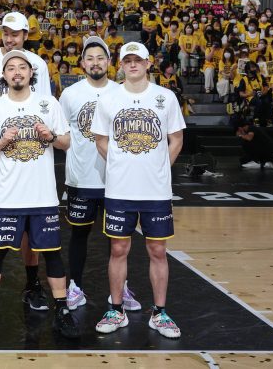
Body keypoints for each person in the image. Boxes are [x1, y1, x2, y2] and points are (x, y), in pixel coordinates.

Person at [0, 49, 79, 339]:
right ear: (4, 75)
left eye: (22, 67)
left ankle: (62, 311)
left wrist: (52, 137)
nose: (17, 72)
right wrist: (1, 142)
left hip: (43, 197)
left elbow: (67, 143)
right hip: (7, 197)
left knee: (52, 254)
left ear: (32, 73)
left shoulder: (49, 103)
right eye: (11, 68)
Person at [91, 41, 185, 339]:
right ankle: (116, 309)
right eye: (127, 60)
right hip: (120, 189)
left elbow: (177, 138)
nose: (132, 64)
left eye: (138, 60)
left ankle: (159, 313)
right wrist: (119, 162)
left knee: (158, 250)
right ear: (121, 65)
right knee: (119, 249)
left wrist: (161, 167)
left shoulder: (165, 97)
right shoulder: (108, 99)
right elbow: (100, 138)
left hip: (155, 191)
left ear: (148, 64)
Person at [0, 12, 50, 311]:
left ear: (27, 35)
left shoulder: (38, 65)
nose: (11, 37)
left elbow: (45, 111)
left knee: (29, 225)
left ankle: (32, 284)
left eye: (17, 33)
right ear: (0, 33)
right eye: (6, 32)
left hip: (25, 161)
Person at [58, 36, 142, 311]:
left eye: (100, 57)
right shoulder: (70, 95)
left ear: (109, 62)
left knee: (117, 240)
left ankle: (121, 289)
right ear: (82, 63)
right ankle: (75, 287)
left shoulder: (122, 94)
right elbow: (63, 136)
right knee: (79, 236)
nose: (95, 62)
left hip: (116, 180)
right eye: (90, 58)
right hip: (81, 179)